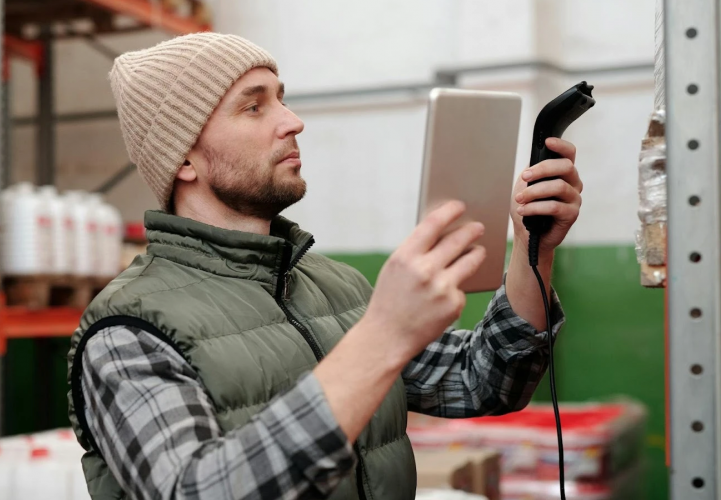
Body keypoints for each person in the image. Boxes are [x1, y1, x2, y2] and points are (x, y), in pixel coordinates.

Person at [67, 32, 582, 500]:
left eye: (282, 99)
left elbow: (485, 381)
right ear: (184, 160)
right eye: (253, 107)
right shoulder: (127, 330)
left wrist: (533, 247)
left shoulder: (337, 289)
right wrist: (381, 336)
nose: (292, 122)